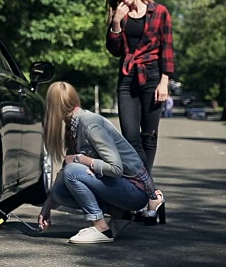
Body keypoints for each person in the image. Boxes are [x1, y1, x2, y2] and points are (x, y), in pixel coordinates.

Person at [37, 82, 165, 244]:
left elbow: (116, 168)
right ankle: (120, 214)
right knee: (60, 191)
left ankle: (101, 228)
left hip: (135, 191)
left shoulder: (90, 125)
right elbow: (65, 170)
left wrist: (83, 161)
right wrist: (48, 205)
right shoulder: (74, 126)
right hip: (121, 186)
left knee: (72, 171)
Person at [105, 0, 174, 173]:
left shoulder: (160, 12)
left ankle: (141, 188)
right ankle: (145, 186)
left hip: (153, 76)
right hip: (127, 77)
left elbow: (167, 49)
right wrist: (116, 23)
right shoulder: (118, 14)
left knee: (149, 136)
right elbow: (115, 51)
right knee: (130, 136)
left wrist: (164, 82)